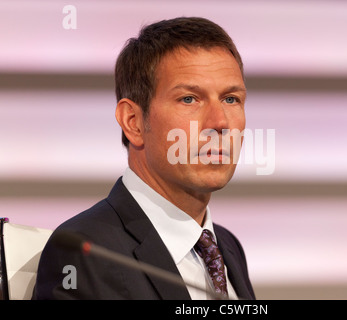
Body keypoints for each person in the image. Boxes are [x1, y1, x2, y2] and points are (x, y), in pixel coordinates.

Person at [32, 17, 255, 300]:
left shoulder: (227, 246)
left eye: (231, 99)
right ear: (134, 122)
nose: (220, 122)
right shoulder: (84, 252)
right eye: (189, 99)